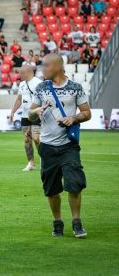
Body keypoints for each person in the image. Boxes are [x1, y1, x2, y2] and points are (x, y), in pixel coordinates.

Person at [28, 54, 91, 238]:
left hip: (68, 146)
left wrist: (74, 117)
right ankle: (57, 222)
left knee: (75, 184)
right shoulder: (41, 88)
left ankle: (77, 222)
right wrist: (36, 111)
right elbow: (30, 115)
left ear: (57, 66)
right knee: (51, 188)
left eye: (46, 66)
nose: (43, 69)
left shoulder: (75, 88)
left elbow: (87, 113)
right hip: (47, 147)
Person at [10, 66, 43, 171]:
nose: (21, 75)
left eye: (22, 73)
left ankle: (44, 159)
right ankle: (31, 163)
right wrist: (12, 112)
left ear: (29, 72)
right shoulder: (22, 84)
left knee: (36, 138)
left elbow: (43, 98)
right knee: (26, 139)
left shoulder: (38, 83)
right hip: (25, 115)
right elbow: (19, 99)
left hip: (35, 114)